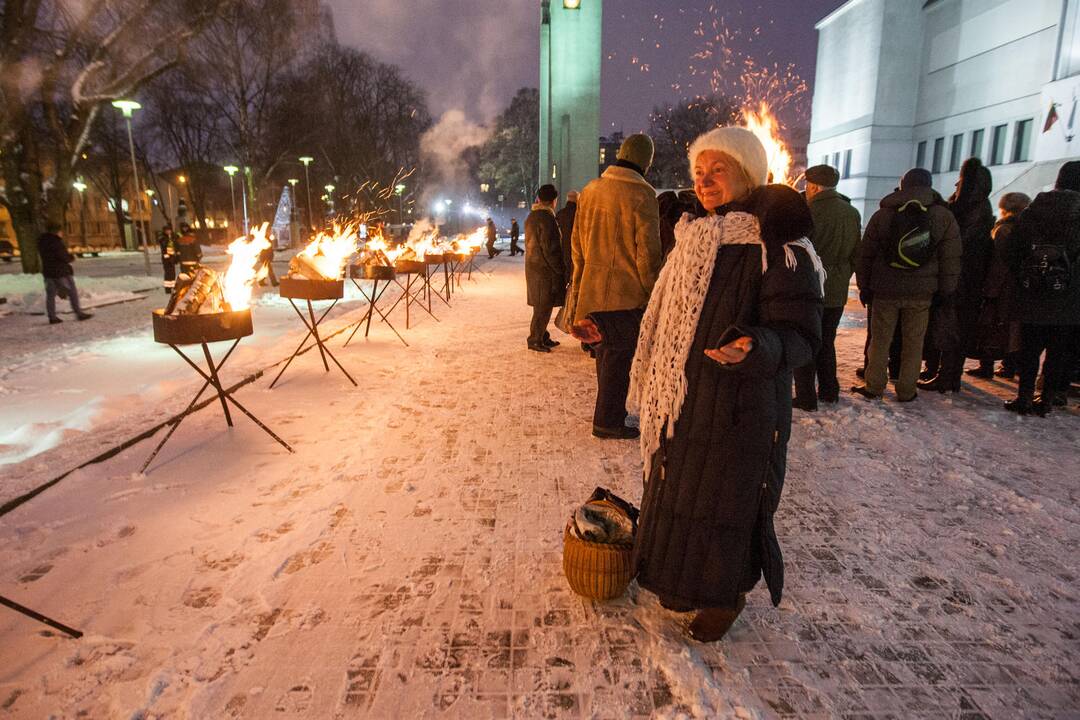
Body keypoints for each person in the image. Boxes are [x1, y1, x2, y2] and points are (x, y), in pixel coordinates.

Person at [575, 127, 823, 642]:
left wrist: (756, 346)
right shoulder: (693, 237)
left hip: (740, 403)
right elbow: (665, 319)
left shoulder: (776, 245)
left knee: (724, 504)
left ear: (747, 172)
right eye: (698, 172)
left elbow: (799, 334)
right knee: (681, 496)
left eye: (718, 170)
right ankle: (680, 581)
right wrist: (610, 326)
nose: (704, 181)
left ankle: (725, 596)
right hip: (684, 400)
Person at [562, 133, 662, 439]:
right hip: (624, 294)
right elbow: (647, 253)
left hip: (592, 289)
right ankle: (608, 420)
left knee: (605, 354)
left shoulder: (590, 190)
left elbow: (576, 245)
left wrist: (580, 283)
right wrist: (653, 291)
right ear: (646, 161)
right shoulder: (642, 195)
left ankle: (610, 413)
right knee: (618, 357)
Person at [852, 169, 962, 402]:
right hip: (922, 293)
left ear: (902, 185)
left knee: (880, 340)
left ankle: (874, 385)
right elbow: (950, 259)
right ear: (930, 186)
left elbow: (865, 254)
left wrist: (864, 285)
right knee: (914, 343)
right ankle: (906, 390)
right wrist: (945, 290)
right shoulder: (943, 216)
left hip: (885, 288)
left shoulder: (883, 214)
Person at [1003, 161, 1080, 415]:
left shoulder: (1034, 210)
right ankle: (1046, 399)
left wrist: (1025, 275)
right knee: (1058, 351)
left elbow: (1012, 250)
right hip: (1069, 295)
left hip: (1033, 291)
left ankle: (1023, 397)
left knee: (1030, 349)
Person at [919, 158, 995, 392]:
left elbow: (955, 245)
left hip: (958, 279)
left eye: (960, 181)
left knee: (949, 327)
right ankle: (949, 375)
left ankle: (946, 375)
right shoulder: (982, 208)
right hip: (971, 279)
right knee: (957, 327)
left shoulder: (965, 211)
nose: (955, 185)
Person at [793, 165, 862, 410]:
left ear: (813, 186)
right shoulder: (852, 212)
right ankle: (829, 391)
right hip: (837, 287)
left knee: (805, 341)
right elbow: (857, 253)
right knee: (827, 340)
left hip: (812, 285)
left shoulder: (808, 211)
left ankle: (805, 396)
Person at [972, 193, 1031, 379]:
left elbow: (998, 263)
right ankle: (1009, 366)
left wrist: (990, 289)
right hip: (1020, 287)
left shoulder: (1003, 229)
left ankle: (987, 365)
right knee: (1014, 328)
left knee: (991, 326)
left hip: (1002, 286)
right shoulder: (1028, 229)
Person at [524, 185, 565, 352]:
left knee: (541, 306)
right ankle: (535, 339)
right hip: (544, 270)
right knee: (543, 307)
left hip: (534, 268)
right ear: (553, 200)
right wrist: (560, 269)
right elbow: (550, 248)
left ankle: (542, 336)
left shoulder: (533, 216)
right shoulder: (546, 218)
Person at [38, 221, 93, 324]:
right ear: (56, 231)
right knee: (72, 291)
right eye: (60, 231)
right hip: (61, 272)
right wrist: (71, 258)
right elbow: (62, 256)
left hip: (48, 272)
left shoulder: (42, 241)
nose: (62, 233)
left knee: (50, 295)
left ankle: (52, 317)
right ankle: (79, 313)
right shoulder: (56, 242)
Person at [556, 191, 578, 272]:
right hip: (575, 250)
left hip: (561, 250)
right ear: (577, 200)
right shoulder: (579, 214)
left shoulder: (559, 214)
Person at [158, 225, 177, 295]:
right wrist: (167, 258)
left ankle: (172, 287)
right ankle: (168, 289)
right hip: (166, 259)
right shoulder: (163, 238)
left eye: (169, 230)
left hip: (172, 258)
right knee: (168, 273)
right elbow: (164, 249)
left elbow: (173, 247)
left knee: (172, 273)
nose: (168, 231)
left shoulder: (172, 237)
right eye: (167, 230)